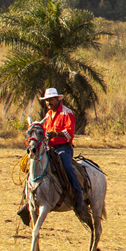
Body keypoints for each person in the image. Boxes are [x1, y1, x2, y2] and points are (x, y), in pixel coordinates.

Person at [40, 87, 89, 221]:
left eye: (50, 99)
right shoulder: (48, 115)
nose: (49, 102)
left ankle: (78, 195)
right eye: (46, 100)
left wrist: (55, 134)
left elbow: (69, 133)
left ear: (57, 99)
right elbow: (44, 131)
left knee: (67, 166)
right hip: (49, 148)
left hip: (63, 148)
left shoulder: (67, 113)